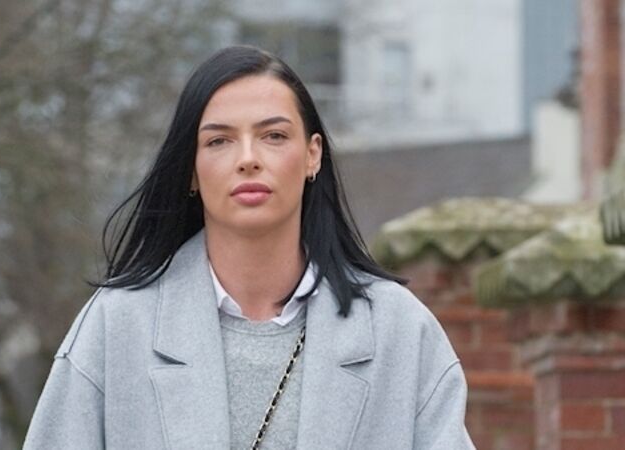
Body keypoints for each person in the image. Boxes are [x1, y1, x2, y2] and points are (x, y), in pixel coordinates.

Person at [23, 45, 475, 449]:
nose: (248, 159)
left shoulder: (399, 330)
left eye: (273, 136)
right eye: (219, 141)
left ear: (313, 154)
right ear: (191, 169)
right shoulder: (117, 325)